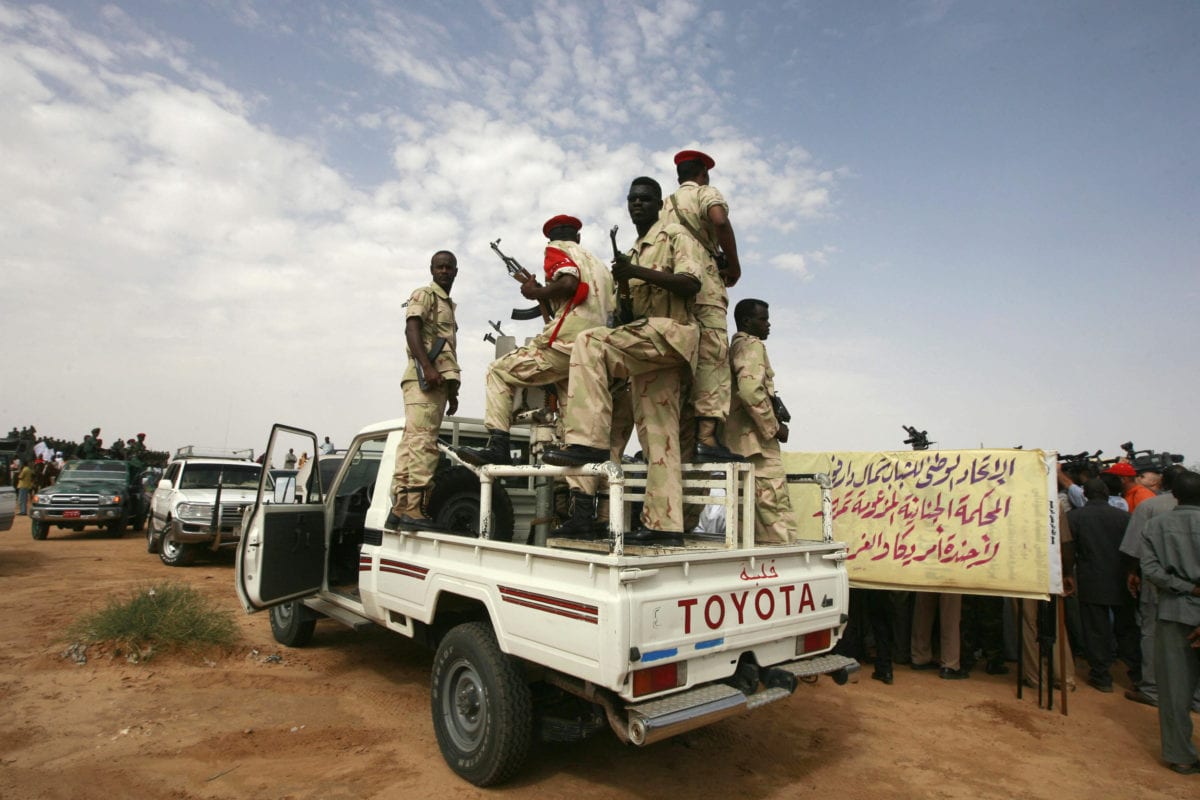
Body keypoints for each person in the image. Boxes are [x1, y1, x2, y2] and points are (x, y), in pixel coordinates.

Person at [543, 177, 704, 546]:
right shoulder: (635, 249)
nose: (637, 205)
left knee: (589, 343)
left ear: (660, 203)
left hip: (670, 333)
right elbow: (627, 315)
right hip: (649, 347)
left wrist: (635, 273)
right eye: (632, 199)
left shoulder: (676, 235)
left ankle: (589, 442)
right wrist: (626, 287)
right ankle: (665, 527)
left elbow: (690, 284)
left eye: (645, 199)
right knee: (659, 438)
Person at [453, 215, 614, 537]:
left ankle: (498, 443)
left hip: (565, 344)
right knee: (574, 437)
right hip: (592, 351)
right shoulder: (599, 266)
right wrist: (541, 294)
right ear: (578, 236)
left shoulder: (555, 251)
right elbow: (569, 303)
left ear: (553, 237)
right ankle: (583, 514)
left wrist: (534, 290)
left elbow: (568, 284)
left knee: (498, 371)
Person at [660, 149, 743, 462]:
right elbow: (720, 221)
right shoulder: (706, 193)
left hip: (672, 291)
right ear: (703, 174)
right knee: (712, 356)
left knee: (681, 361)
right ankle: (706, 438)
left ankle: (675, 441)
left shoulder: (664, 205)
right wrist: (734, 265)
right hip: (704, 286)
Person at [387, 250, 461, 529]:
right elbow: (411, 330)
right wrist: (428, 368)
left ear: (455, 271)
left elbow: (446, 349)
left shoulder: (448, 305)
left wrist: (452, 392)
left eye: (448, 267)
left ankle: (401, 507)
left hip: (436, 381)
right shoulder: (424, 295)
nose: (443, 271)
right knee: (422, 443)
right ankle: (414, 510)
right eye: (439, 266)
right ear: (431, 269)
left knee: (411, 442)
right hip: (425, 379)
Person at [1120, 465, 1200, 709]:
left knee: (1152, 636)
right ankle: (1196, 698)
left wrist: (1133, 573)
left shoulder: (1150, 508)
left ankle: (1152, 689)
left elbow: (1135, 551)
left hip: (1161, 591)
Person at [1139, 470, 1200, 775]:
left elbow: (1149, 569)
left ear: (1174, 495)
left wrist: (1187, 588)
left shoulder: (1155, 526)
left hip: (1175, 611)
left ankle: (1181, 755)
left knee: (1174, 689)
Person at [722, 298, 795, 544]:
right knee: (775, 512)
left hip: (740, 444)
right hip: (758, 444)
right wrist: (775, 428)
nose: (768, 324)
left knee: (747, 519)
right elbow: (751, 391)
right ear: (746, 322)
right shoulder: (751, 345)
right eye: (763, 319)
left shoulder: (733, 348)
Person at [1070, 479, 1138, 692]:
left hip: (1091, 580)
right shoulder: (1126, 518)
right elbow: (1134, 550)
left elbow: (1068, 550)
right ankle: (1137, 675)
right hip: (1122, 581)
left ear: (1086, 495)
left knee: (1095, 629)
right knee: (1127, 629)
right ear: (1108, 494)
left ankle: (1101, 675)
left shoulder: (1075, 517)